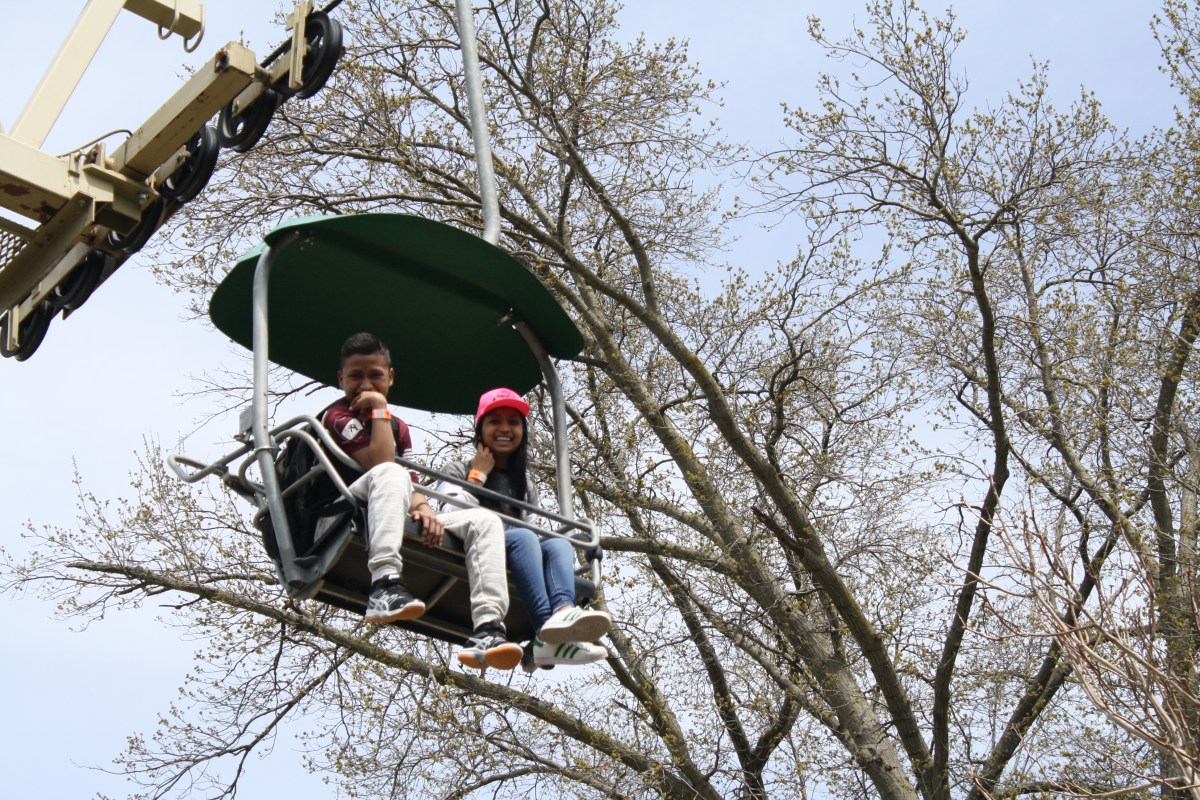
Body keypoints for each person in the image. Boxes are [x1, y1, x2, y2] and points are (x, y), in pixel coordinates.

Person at [324, 333, 522, 670]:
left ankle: (488, 627)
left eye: (375, 375)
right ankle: (385, 583)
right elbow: (381, 464)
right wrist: (379, 408)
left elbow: (411, 480)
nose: (365, 384)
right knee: (391, 473)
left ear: (390, 377)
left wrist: (424, 509)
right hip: (347, 504)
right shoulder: (338, 416)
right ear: (341, 379)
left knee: (484, 520)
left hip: (392, 501)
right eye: (356, 376)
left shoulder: (397, 427)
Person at [435, 387, 612, 669]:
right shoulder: (458, 469)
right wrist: (478, 475)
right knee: (523, 536)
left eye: (513, 422)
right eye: (495, 421)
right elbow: (450, 513)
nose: (505, 429)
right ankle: (543, 631)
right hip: (473, 543)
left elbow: (530, 528)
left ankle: (563, 610)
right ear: (481, 430)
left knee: (558, 543)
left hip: (513, 549)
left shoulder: (524, 484)